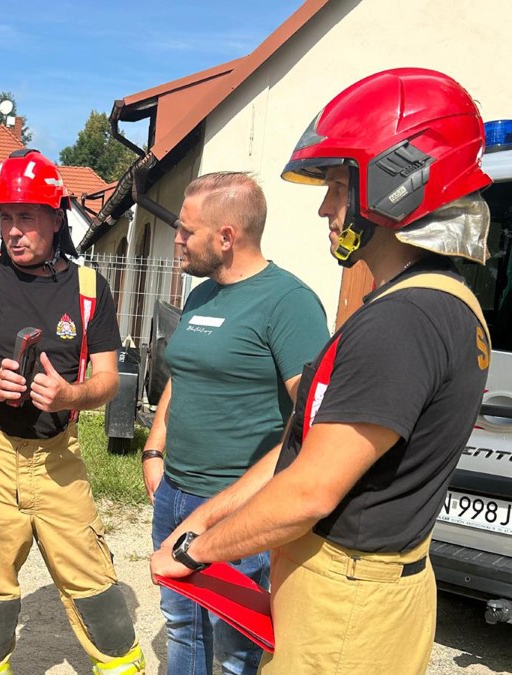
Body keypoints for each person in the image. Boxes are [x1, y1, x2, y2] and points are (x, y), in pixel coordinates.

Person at [149, 68, 493, 675]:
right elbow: (302, 448)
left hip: (346, 610)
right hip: (355, 595)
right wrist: (206, 513)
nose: (324, 208)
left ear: (394, 182)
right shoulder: (435, 302)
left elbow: (311, 490)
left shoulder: (404, 321)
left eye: (337, 184)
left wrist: (199, 551)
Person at [0, 149, 146, 675]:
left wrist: (70, 395)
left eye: (26, 216)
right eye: (4, 217)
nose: (13, 231)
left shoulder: (90, 289)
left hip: (60, 460)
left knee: (98, 590)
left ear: (56, 218)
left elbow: (105, 381)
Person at [143, 172, 328, 674]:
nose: (177, 239)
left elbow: (309, 419)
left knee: (237, 642)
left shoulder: (289, 304)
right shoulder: (201, 295)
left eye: (187, 230)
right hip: (175, 491)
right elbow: (181, 376)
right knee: (181, 622)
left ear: (227, 237)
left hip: (236, 506)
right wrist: (155, 449)